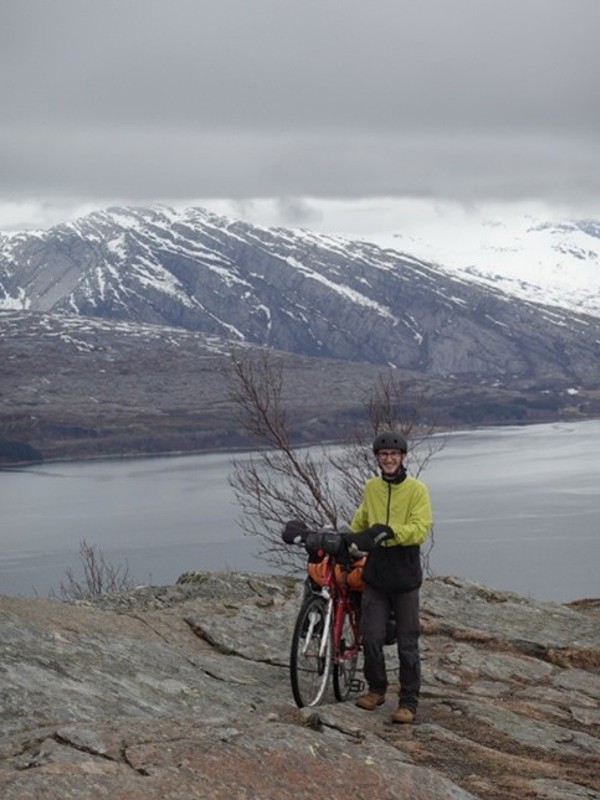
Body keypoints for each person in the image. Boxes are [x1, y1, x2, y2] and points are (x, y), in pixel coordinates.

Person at [349, 431, 433, 724]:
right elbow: (361, 520)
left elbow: (421, 528)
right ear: (377, 458)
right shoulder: (371, 487)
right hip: (376, 574)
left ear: (403, 457)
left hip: (405, 574)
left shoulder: (417, 490)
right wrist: (349, 542)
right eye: (383, 454)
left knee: (407, 642)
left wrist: (390, 533)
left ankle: (408, 702)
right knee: (371, 636)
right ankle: (377, 689)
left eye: (394, 454)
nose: (388, 459)